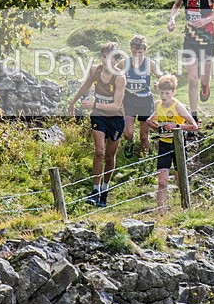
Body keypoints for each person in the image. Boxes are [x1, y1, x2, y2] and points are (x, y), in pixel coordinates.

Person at [167, 0, 214, 127]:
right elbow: (176, 6)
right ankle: (194, 114)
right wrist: (172, 20)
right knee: (192, 78)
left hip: (208, 38)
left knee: (203, 77)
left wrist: (207, 19)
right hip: (190, 38)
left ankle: (205, 85)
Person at [68, 42, 126, 207]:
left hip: (115, 118)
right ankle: (95, 190)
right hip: (98, 116)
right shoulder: (95, 70)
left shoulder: (120, 78)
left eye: (111, 58)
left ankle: (105, 189)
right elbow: (86, 85)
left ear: (116, 60)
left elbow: (116, 105)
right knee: (99, 152)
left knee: (109, 156)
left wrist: (94, 105)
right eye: (104, 57)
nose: (107, 61)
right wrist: (73, 102)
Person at [146, 75, 198, 216]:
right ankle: (160, 214)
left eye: (167, 93)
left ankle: (186, 208)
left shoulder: (178, 106)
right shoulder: (158, 105)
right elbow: (149, 121)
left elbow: (194, 126)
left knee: (179, 180)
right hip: (164, 145)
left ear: (173, 92)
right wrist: (157, 128)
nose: (164, 96)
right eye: (162, 93)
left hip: (178, 146)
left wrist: (177, 126)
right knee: (162, 182)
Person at [122, 35, 163, 159]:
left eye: (140, 52)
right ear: (130, 50)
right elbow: (112, 72)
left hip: (145, 101)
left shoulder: (149, 63)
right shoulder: (125, 62)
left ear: (145, 50)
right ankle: (130, 142)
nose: (137, 55)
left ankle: (143, 160)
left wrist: (158, 84)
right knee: (128, 133)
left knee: (144, 135)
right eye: (134, 52)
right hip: (129, 100)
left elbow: (161, 77)